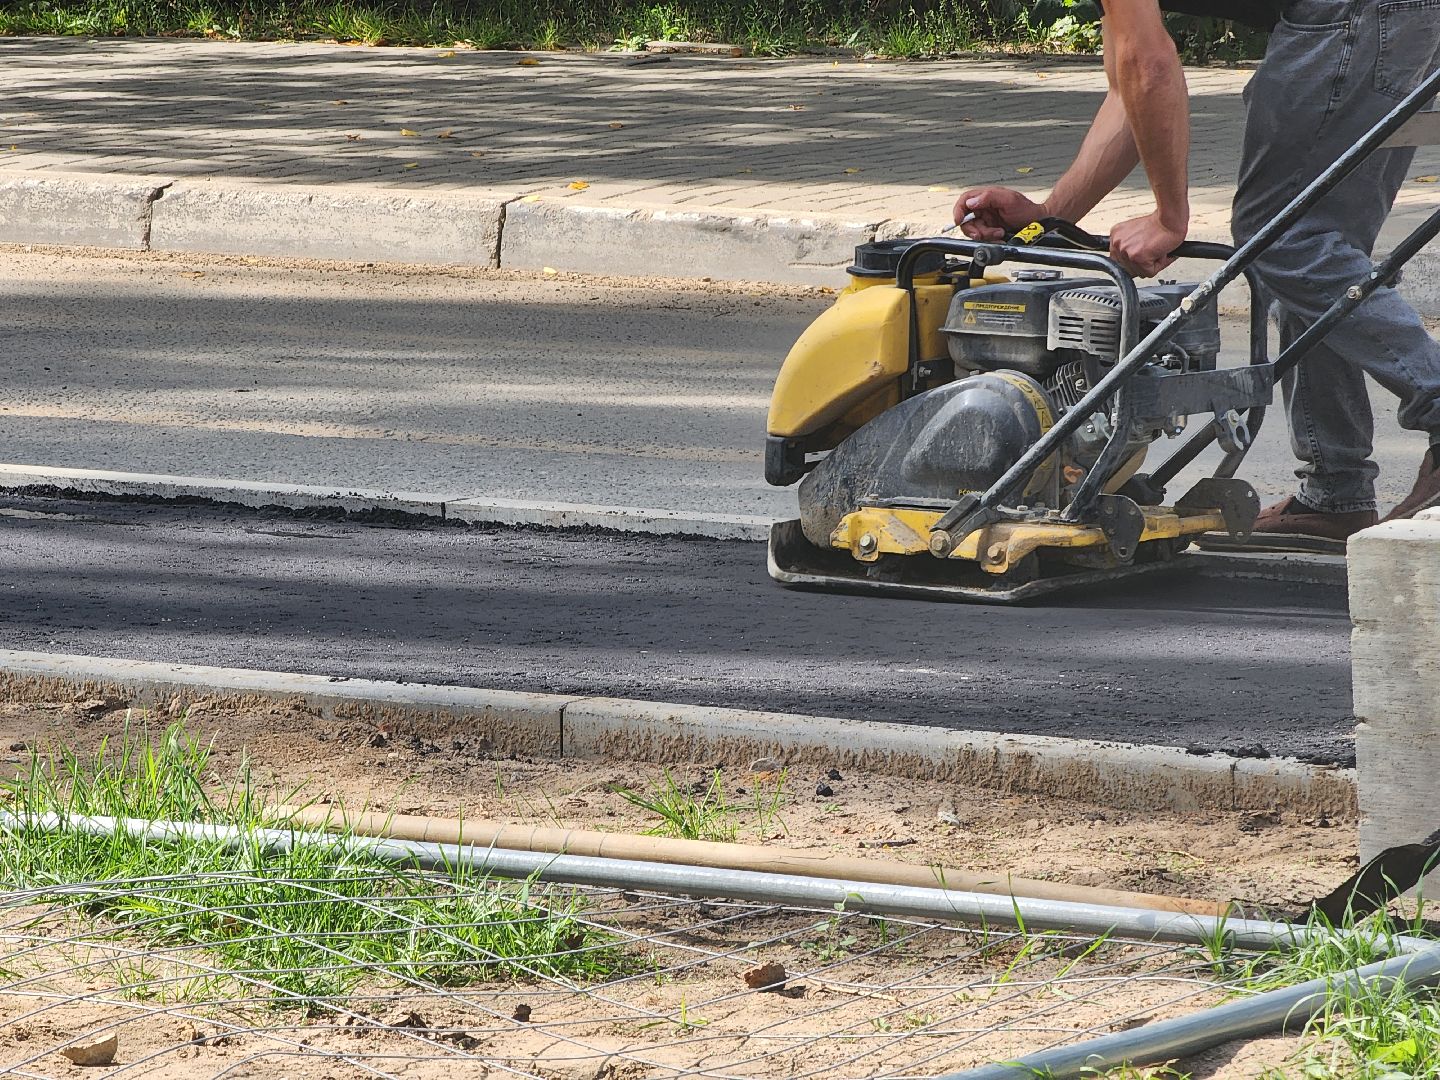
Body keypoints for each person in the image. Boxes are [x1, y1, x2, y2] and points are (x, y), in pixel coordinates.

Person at [954, 0, 1440, 545]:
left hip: (1355, 14)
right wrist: (1047, 220)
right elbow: (1129, 89)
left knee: (1282, 236)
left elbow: (1151, 67)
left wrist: (1169, 217)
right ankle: (1336, 493)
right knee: (1314, 249)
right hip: (1392, 15)